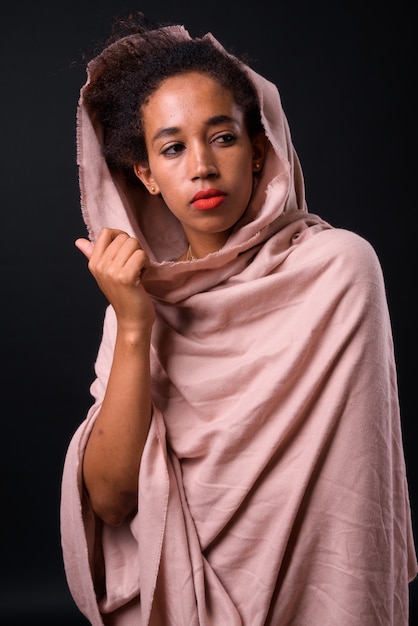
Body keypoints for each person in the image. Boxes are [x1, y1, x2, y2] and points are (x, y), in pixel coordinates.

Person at [60, 11, 417, 625]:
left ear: (258, 152)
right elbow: (112, 503)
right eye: (172, 148)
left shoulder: (339, 270)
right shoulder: (138, 307)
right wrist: (136, 324)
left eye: (222, 137)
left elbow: (356, 504)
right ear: (146, 175)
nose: (200, 164)